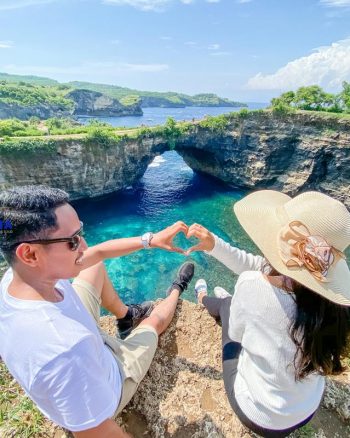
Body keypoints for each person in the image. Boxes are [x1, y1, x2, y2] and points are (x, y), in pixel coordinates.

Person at [0, 185, 195, 438]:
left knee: (94, 265)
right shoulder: (65, 351)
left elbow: (99, 252)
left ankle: (126, 316)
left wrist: (150, 240)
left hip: (83, 339)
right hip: (109, 377)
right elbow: (99, 433)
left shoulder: (16, 280)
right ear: (29, 253)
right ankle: (177, 289)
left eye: (80, 233)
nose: (83, 246)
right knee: (153, 323)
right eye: (72, 241)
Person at [185, 190, 350, 437]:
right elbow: (264, 267)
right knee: (235, 302)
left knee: (229, 307)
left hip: (258, 416)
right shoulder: (334, 305)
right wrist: (215, 246)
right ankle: (215, 299)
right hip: (306, 409)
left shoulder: (251, 285)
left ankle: (203, 298)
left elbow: (237, 334)